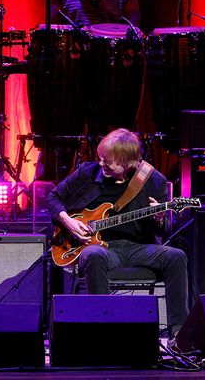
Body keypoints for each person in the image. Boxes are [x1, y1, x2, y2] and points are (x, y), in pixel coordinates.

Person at [46, 128, 189, 339]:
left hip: (137, 248)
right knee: (94, 255)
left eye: (108, 161)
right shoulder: (88, 172)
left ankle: (179, 334)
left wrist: (160, 219)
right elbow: (53, 197)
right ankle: (105, 330)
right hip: (98, 249)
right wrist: (68, 222)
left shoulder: (154, 180)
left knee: (176, 256)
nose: (101, 164)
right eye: (101, 158)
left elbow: (166, 229)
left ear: (128, 162)